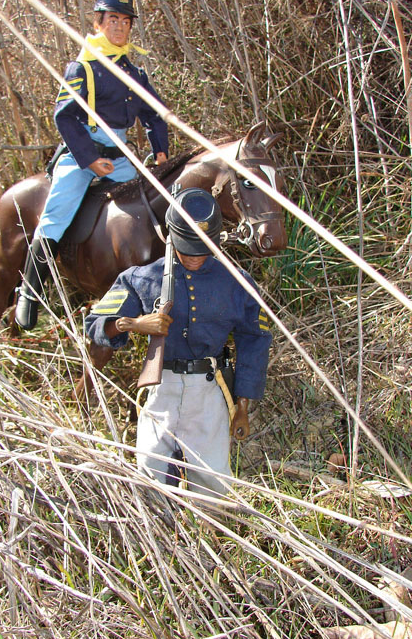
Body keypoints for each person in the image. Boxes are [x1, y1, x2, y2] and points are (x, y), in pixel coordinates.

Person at [85, 188, 272, 496]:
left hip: (209, 390)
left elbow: (256, 338)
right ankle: (159, 533)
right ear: (172, 236)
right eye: (188, 249)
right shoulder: (142, 278)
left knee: (213, 480)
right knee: (149, 472)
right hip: (162, 387)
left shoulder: (236, 282)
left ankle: (209, 535)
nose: (195, 258)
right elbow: (94, 324)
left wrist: (243, 404)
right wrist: (134, 324)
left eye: (203, 250)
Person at [15, 0, 169, 330]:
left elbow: (155, 115)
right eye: (112, 19)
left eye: (125, 21)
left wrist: (160, 149)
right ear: (99, 22)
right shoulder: (83, 67)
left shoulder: (135, 73)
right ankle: (29, 290)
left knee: (151, 202)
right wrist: (88, 160)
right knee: (56, 214)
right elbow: (64, 116)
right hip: (83, 152)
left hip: (123, 155)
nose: (119, 27)